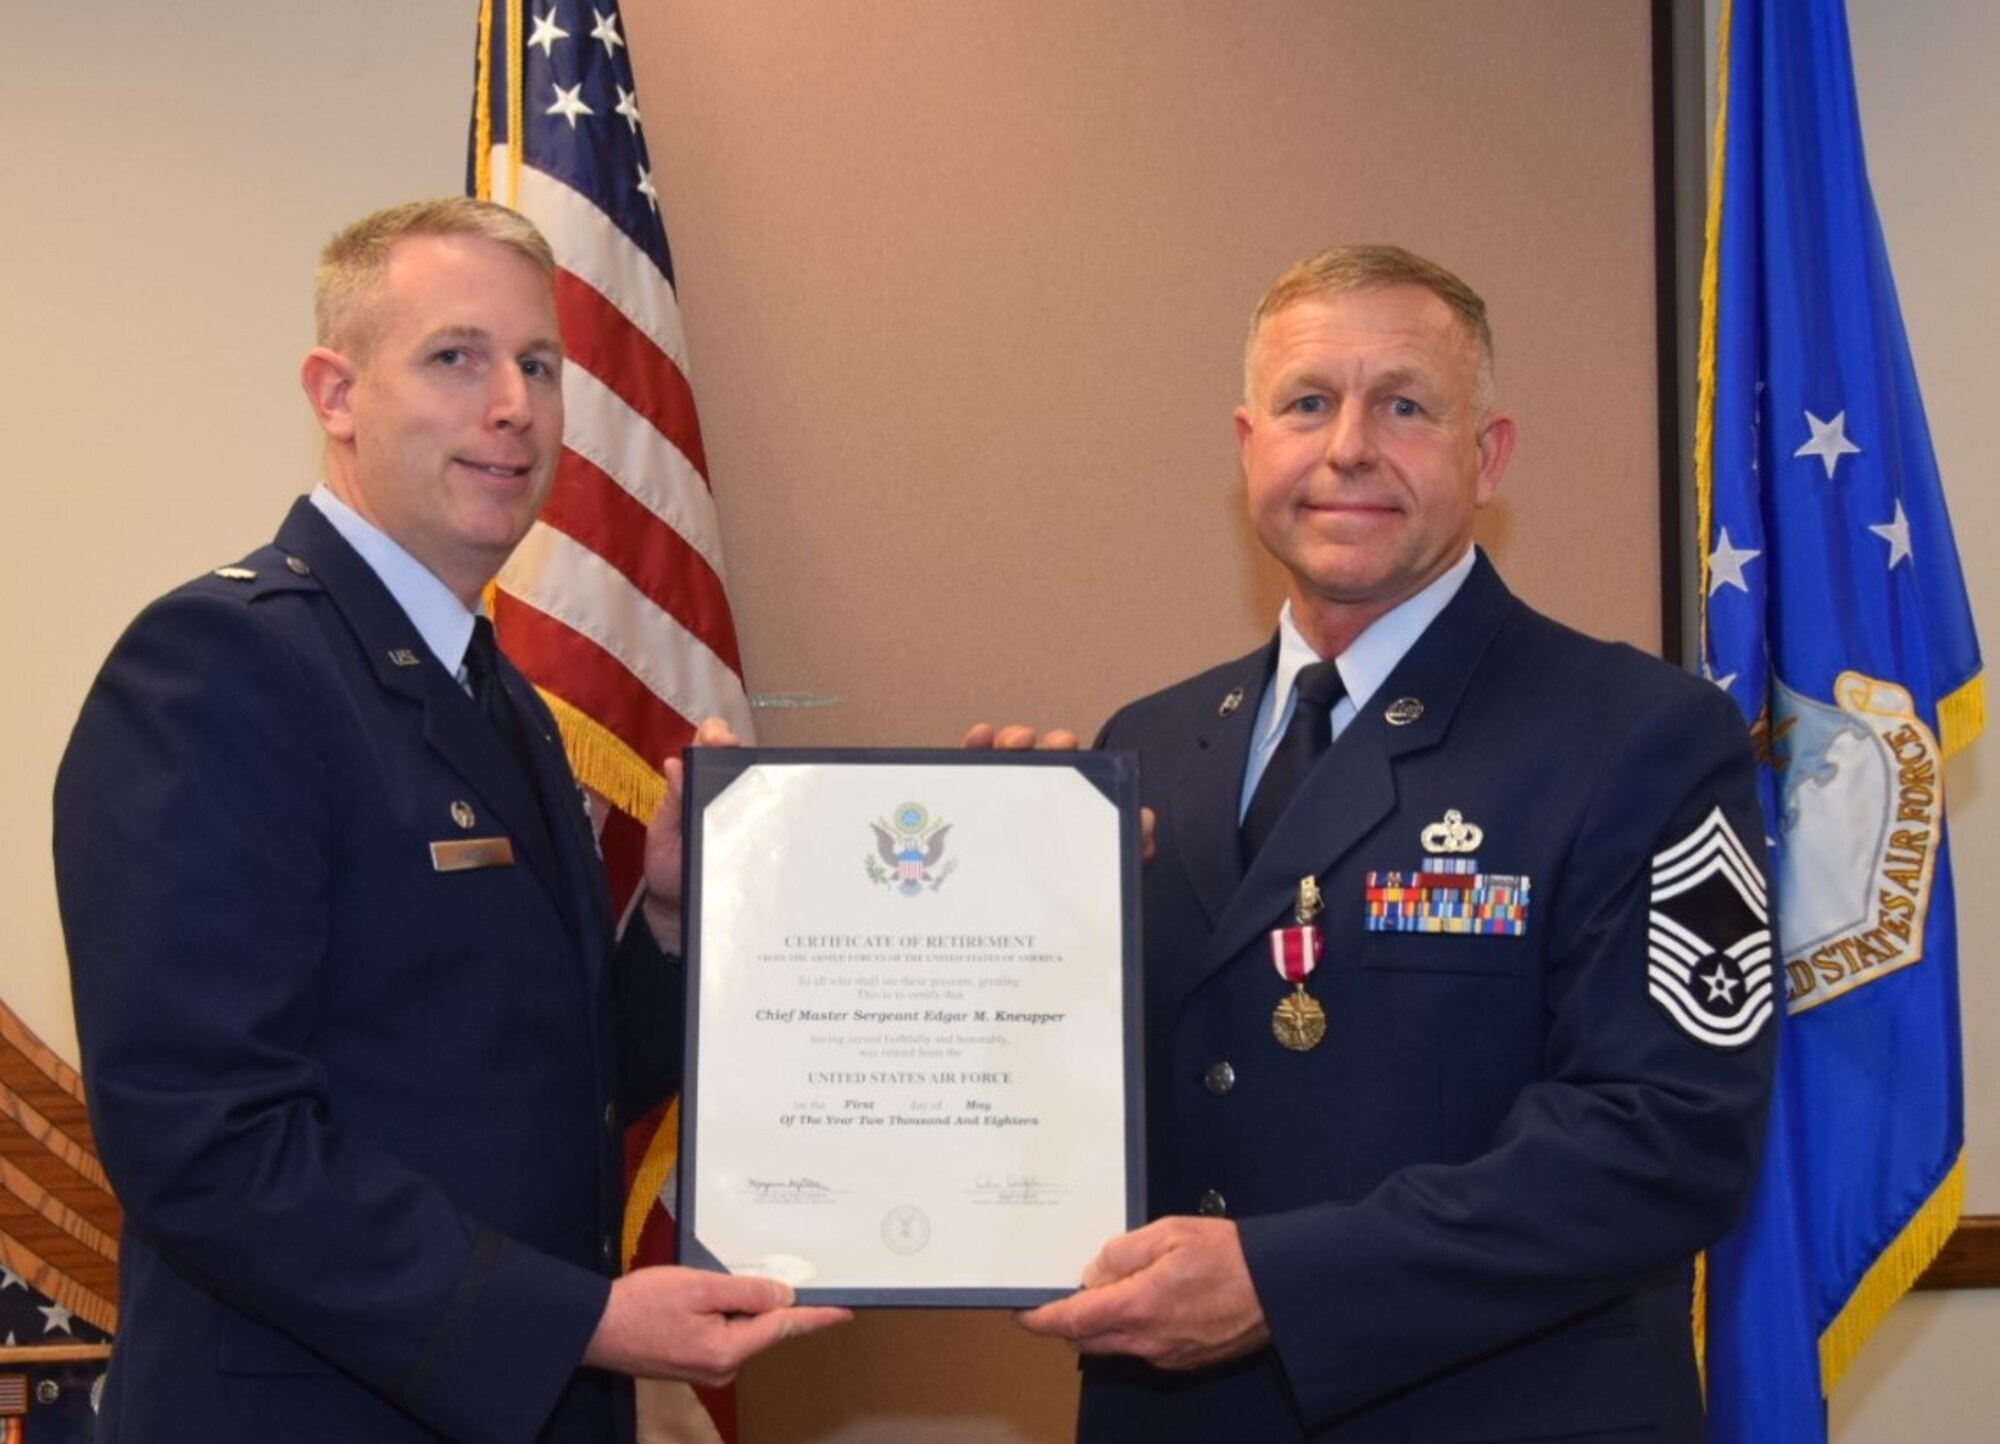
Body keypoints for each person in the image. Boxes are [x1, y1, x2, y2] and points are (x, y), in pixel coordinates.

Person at [52, 197, 846, 1444]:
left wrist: (676, 924)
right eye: (454, 357)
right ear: (335, 392)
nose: (513, 404)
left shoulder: (500, 700)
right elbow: (207, 1139)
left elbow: (539, 1079)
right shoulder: (222, 665)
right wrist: (576, 1323)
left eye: (538, 365)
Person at [1000, 245, 1777, 1441]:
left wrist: (1285, 1283)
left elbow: (1664, 1138)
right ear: (1247, 442)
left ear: (1488, 453)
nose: (1348, 446)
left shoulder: (1642, 736)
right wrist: (996, 929)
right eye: (1308, 403)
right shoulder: (1141, 746)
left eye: (1403, 405)